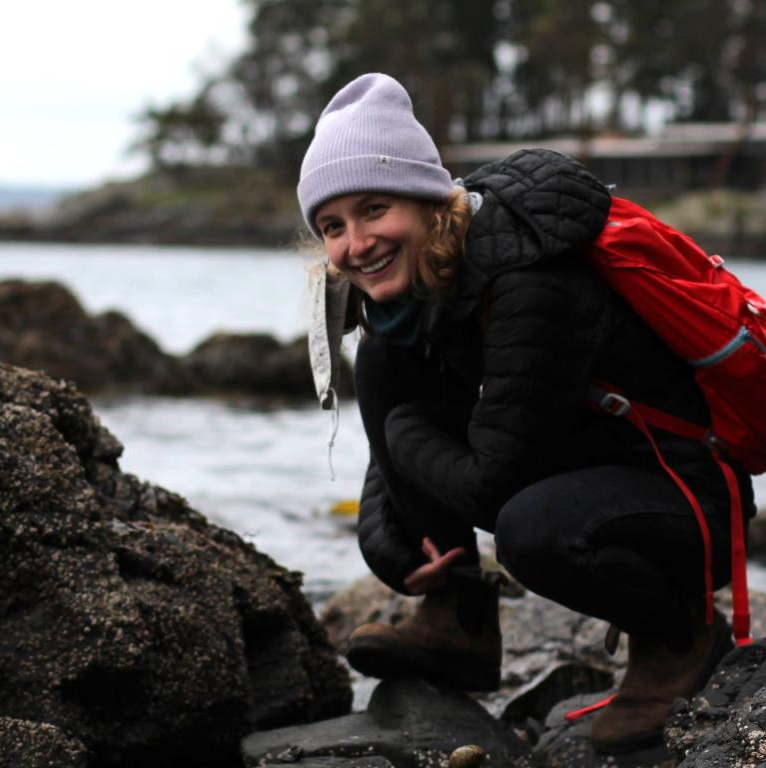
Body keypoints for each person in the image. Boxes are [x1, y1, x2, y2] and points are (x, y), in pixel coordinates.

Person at [296, 73, 756, 754]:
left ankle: (680, 635)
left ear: (428, 202)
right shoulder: (426, 286)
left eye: (373, 209)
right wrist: (401, 553)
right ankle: (458, 616)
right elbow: (401, 450)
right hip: (587, 465)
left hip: (685, 497)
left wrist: (405, 433)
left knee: (531, 531)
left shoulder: (530, 279)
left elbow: (489, 478)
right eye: (333, 226)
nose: (356, 244)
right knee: (384, 364)